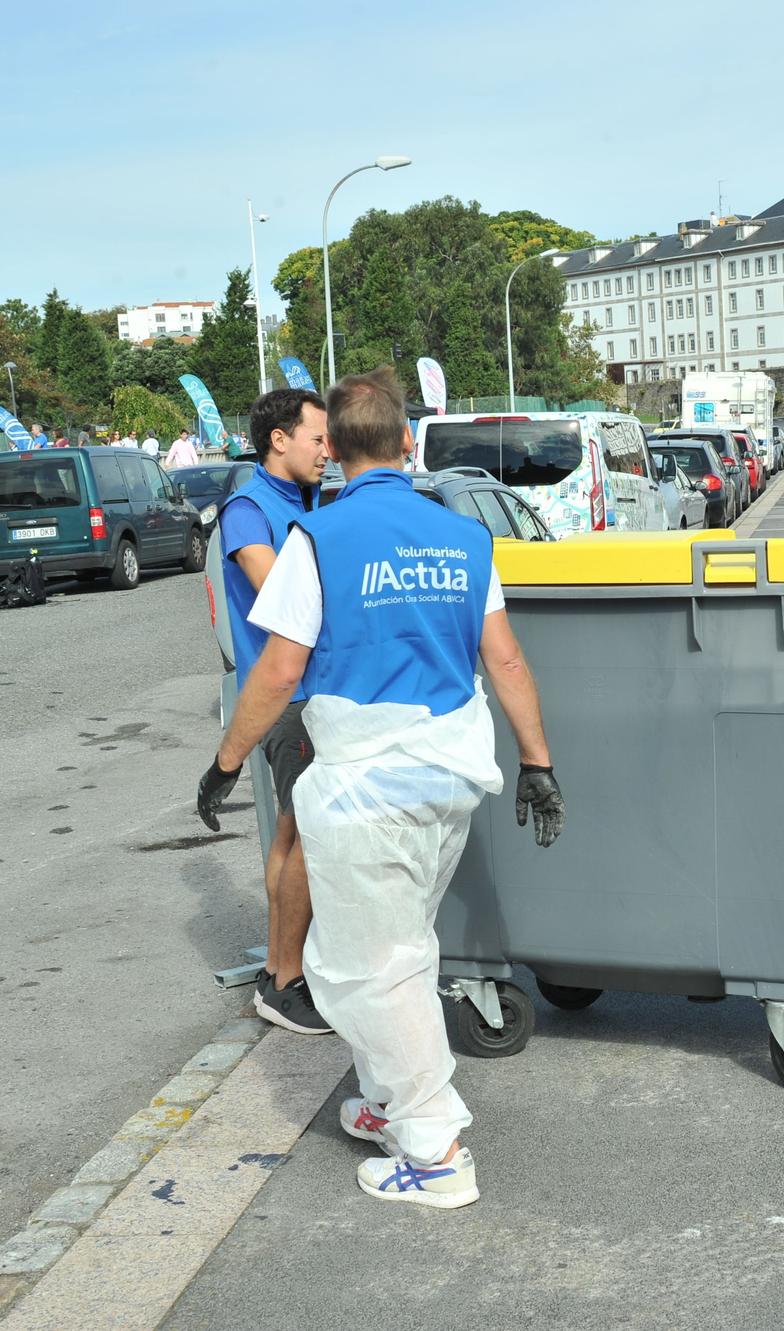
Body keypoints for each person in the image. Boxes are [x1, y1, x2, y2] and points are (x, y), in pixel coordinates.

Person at [195, 366, 566, 1209]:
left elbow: (280, 670)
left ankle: (436, 1155)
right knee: (403, 945)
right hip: (449, 782)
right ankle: (387, 1106)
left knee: (373, 966)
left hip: (366, 790)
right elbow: (503, 659)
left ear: (337, 452)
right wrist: (538, 762)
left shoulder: (316, 542)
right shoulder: (464, 538)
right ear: (406, 443)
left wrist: (224, 763)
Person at [219, 387, 333, 1035]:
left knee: (293, 833)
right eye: (317, 437)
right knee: (310, 838)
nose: (328, 449)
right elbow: (279, 590)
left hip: (314, 692)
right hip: (285, 699)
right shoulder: (247, 508)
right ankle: (286, 979)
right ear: (278, 439)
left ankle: (282, 967)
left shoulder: (309, 500)